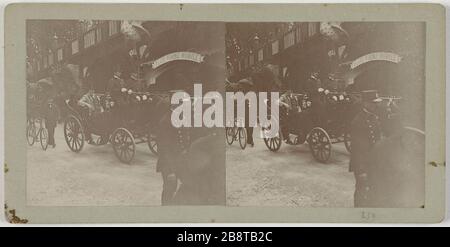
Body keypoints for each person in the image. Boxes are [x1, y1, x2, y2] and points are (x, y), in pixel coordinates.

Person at [349, 90, 383, 207]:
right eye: (373, 103)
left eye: (376, 102)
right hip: (363, 164)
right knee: (362, 190)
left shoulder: (374, 117)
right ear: (365, 104)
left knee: (373, 190)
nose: (376, 105)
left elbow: (377, 140)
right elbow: (357, 150)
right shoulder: (358, 122)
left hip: (373, 161)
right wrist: (361, 171)